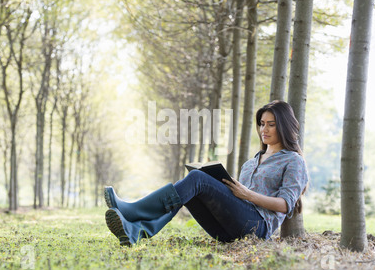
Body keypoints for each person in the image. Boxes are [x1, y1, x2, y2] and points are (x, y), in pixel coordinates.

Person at [104, 100, 309, 246]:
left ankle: (133, 212)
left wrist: (248, 195)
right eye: (262, 124)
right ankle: (136, 231)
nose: (264, 129)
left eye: (271, 124)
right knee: (191, 187)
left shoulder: (293, 160)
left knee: (196, 179)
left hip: (258, 228)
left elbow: (285, 205)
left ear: (283, 126)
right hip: (227, 230)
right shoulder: (251, 162)